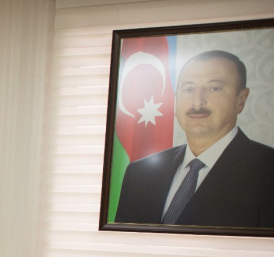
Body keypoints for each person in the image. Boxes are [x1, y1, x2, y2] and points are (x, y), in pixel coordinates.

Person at [115, 50, 274, 227]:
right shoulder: (139, 173)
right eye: (188, 89)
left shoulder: (268, 170)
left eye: (214, 88)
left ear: (241, 100)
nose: (197, 102)